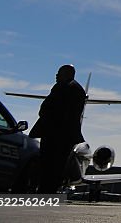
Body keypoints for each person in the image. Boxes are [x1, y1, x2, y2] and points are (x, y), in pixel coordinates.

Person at [30, 64, 86, 193]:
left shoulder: (64, 87)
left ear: (67, 74)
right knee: (57, 167)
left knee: (49, 165)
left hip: (54, 134)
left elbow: (48, 108)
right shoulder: (77, 89)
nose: (56, 76)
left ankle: (45, 191)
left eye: (59, 73)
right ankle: (48, 191)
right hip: (65, 135)